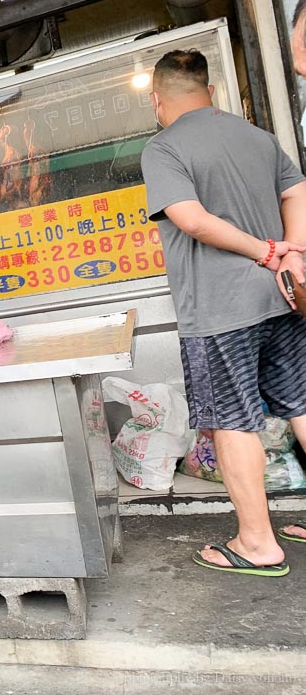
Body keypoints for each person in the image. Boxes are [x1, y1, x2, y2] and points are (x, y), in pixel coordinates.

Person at [141, 50, 306, 577]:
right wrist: (291, 252)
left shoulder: (163, 147)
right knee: (302, 404)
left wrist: (262, 250)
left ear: (157, 100)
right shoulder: (257, 137)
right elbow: (298, 191)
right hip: (281, 296)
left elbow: (191, 220)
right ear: (209, 92)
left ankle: (258, 544)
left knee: (233, 421)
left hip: (219, 310)